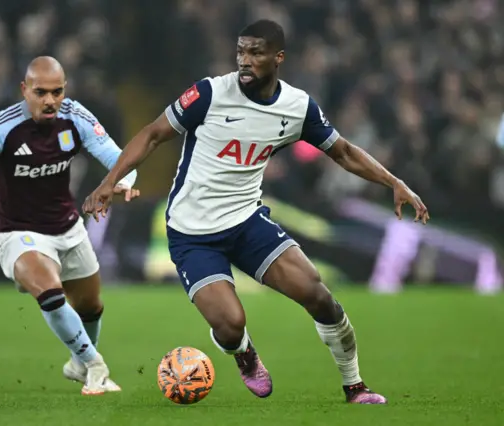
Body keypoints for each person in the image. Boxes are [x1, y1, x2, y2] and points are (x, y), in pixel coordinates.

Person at [82, 20, 430, 404]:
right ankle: (244, 355)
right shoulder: (209, 94)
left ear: (278, 57)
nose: (245, 61)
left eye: (255, 53)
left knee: (319, 296)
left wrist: (394, 181)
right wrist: (108, 181)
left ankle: (355, 386)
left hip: (247, 224)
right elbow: (151, 134)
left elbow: (343, 152)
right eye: (240, 51)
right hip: (191, 232)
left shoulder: (297, 107)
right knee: (231, 326)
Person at [0, 56, 138, 395]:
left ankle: (78, 364)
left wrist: (117, 184)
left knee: (92, 306)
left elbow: (122, 161)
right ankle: (95, 365)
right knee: (50, 291)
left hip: (68, 228)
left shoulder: (75, 118)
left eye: (57, 92)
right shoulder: (2, 127)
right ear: (24, 90)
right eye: (41, 92)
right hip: (18, 233)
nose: (50, 101)